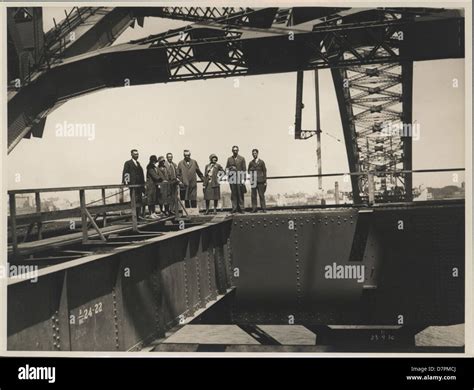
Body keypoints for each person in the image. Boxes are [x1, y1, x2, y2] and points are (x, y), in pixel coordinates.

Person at [122, 149, 145, 218]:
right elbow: (126, 172)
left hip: (139, 186)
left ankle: (139, 215)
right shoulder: (128, 163)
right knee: (134, 200)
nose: (136, 155)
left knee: (139, 200)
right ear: (131, 155)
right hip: (133, 186)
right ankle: (135, 216)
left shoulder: (138, 163)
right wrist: (126, 182)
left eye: (137, 154)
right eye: (135, 154)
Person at [226, 145, 246, 213]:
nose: (235, 151)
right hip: (232, 178)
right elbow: (226, 168)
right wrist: (229, 170)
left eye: (236, 150)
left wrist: (243, 179)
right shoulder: (229, 159)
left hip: (239, 178)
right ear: (232, 151)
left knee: (240, 194)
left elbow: (244, 169)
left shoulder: (242, 158)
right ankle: (234, 209)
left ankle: (241, 209)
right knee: (233, 194)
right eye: (234, 150)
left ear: (238, 150)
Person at [248, 148, 267, 213]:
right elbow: (248, 171)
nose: (254, 154)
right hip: (253, 181)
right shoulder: (251, 163)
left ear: (257, 154)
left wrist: (265, 181)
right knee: (253, 196)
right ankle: (254, 208)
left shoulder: (261, 162)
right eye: (253, 153)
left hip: (260, 181)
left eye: (255, 153)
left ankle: (264, 208)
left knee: (261, 195)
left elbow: (264, 171)